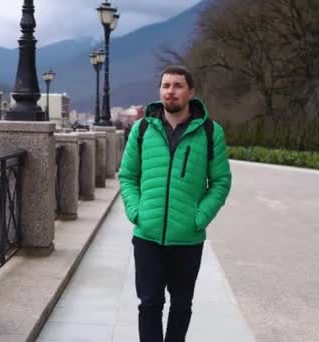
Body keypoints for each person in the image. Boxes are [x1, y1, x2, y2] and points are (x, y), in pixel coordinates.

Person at [118, 65, 232, 342]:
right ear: (160, 91)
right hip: (148, 237)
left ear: (190, 92)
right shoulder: (142, 129)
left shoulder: (209, 131)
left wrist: (199, 218)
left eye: (178, 85)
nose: (171, 91)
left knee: (181, 305)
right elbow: (127, 176)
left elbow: (220, 181)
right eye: (166, 85)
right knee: (149, 304)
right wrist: (136, 211)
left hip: (187, 240)